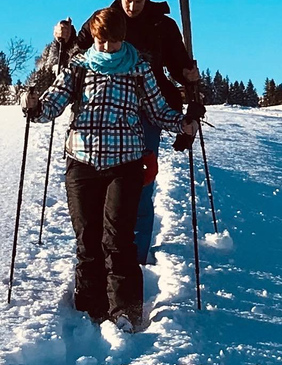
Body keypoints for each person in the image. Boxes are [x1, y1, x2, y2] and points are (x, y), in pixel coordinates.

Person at [23, 7, 199, 332]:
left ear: (123, 38)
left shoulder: (139, 68)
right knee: (87, 238)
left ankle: (126, 311)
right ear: (95, 38)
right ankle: (89, 309)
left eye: (113, 42)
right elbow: (53, 103)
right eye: (102, 42)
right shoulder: (79, 67)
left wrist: (183, 123)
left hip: (125, 163)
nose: (106, 49)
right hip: (82, 161)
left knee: (118, 237)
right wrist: (34, 107)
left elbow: (158, 110)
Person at [54, 0, 200, 265]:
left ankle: (134, 258)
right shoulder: (102, 19)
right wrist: (63, 38)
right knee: (101, 193)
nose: (132, 5)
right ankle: (101, 258)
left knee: (141, 185)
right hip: (101, 118)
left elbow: (178, 63)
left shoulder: (161, 24)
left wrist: (188, 74)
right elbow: (76, 55)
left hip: (147, 111)